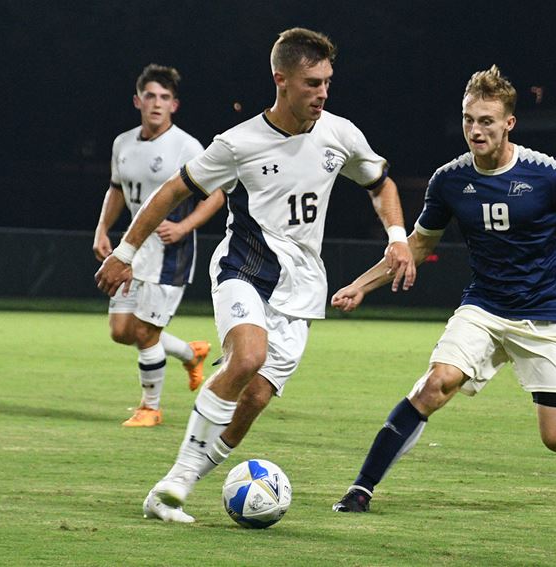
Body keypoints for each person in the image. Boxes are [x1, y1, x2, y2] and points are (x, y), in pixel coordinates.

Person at [95, 28, 414, 523]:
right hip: (243, 267)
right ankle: (178, 478)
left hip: (302, 286)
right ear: (280, 80)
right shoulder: (238, 143)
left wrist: (396, 235)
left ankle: (170, 491)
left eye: (328, 81)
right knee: (247, 358)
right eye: (312, 83)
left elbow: (380, 183)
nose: (323, 93)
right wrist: (126, 250)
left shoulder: (341, 133)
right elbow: (173, 192)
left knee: (256, 398)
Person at [330, 65, 556, 513]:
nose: (475, 130)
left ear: (509, 123)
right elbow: (418, 245)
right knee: (434, 385)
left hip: (546, 313)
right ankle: (361, 489)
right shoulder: (449, 180)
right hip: (485, 308)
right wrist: (361, 285)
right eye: (469, 119)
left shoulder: (547, 174)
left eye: (487, 121)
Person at [93, 64, 226, 428]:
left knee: (146, 332)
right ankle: (190, 352)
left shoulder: (186, 146)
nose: (156, 103)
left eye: (164, 98)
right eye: (150, 96)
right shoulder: (123, 143)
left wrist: (184, 226)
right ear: (137, 101)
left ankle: (150, 407)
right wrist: (103, 229)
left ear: (174, 106)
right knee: (122, 331)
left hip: (171, 250)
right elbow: (116, 189)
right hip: (132, 248)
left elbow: (216, 195)